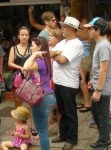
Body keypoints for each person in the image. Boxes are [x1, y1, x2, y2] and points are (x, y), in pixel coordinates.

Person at [50, 16, 84, 150]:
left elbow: (63, 60)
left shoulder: (77, 44)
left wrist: (56, 54)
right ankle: (63, 135)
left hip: (68, 84)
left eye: (64, 26)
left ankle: (72, 139)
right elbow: (50, 51)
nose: (62, 28)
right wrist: (56, 52)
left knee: (70, 112)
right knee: (62, 110)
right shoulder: (63, 43)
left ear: (71, 28)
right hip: (59, 82)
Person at [23, 36, 56, 150]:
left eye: (32, 45)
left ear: (39, 47)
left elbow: (25, 67)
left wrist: (33, 55)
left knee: (42, 133)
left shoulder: (40, 61)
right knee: (43, 131)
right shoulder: (46, 61)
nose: (31, 48)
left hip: (41, 97)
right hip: (48, 96)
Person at [84, 17, 111, 149]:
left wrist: (98, 90)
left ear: (98, 30)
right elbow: (98, 69)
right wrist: (92, 80)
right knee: (96, 115)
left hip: (103, 90)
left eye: (90, 28)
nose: (88, 31)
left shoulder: (104, 46)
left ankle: (104, 143)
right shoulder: (99, 44)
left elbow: (104, 70)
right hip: (98, 87)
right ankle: (103, 139)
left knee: (103, 118)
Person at [8, 26, 31, 107]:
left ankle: (29, 119)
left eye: (26, 35)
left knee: (31, 101)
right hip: (18, 78)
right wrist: (20, 67)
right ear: (18, 36)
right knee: (18, 102)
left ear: (29, 36)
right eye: (22, 35)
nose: (24, 37)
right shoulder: (13, 49)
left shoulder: (32, 48)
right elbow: (10, 63)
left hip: (30, 78)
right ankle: (18, 119)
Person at [76, 18, 92, 112]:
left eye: (82, 22)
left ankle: (87, 103)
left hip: (84, 58)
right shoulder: (83, 32)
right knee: (82, 81)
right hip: (83, 58)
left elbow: (75, 33)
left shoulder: (86, 33)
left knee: (82, 81)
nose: (80, 23)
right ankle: (84, 101)